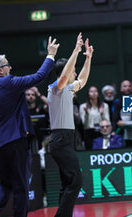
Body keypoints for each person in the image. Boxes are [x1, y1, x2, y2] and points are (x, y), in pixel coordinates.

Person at [0, 36, 59, 217]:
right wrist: (51, 56)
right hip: (15, 142)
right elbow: (39, 77)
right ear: (0, 70)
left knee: (6, 184)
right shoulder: (8, 83)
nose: (10, 68)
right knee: (21, 186)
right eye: (7, 65)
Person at [47, 33, 93, 217]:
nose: (75, 73)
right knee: (75, 182)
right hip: (60, 140)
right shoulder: (55, 88)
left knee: (68, 183)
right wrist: (76, 50)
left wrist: (88, 58)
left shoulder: (67, 88)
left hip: (65, 140)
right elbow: (67, 74)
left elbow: (82, 80)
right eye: (73, 70)